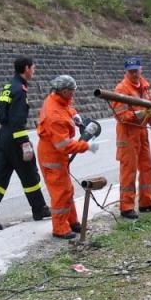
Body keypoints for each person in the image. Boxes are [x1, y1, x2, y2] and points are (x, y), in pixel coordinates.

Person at [0, 56, 51, 231]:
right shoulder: (20, 90)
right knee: (30, 175)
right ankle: (39, 209)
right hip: (16, 138)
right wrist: (25, 144)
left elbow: (1, 113)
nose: (34, 70)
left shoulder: (9, 86)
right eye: (33, 67)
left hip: (3, 137)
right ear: (26, 68)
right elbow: (17, 120)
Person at [37, 75, 99, 239]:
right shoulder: (54, 115)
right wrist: (87, 146)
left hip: (56, 155)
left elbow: (67, 108)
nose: (73, 95)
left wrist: (74, 115)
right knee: (60, 193)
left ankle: (72, 222)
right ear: (64, 91)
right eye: (72, 92)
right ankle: (60, 228)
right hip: (52, 157)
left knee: (68, 190)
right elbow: (64, 146)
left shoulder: (56, 100)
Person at [112, 56, 151, 220]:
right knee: (129, 170)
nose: (135, 74)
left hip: (142, 132)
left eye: (137, 70)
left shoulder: (145, 85)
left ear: (141, 69)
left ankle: (146, 202)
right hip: (128, 134)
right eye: (131, 71)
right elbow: (120, 116)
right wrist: (140, 114)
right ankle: (126, 206)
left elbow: (150, 107)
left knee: (147, 167)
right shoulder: (121, 90)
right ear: (126, 72)